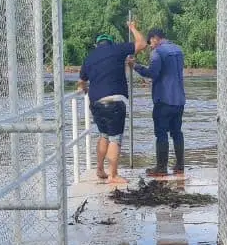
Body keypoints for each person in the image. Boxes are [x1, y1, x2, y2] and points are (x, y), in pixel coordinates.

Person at [77, 21, 146, 184]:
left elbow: (81, 82)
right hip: (115, 101)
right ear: (110, 43)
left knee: (103, 136)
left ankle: (100, 169)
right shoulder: (118, 49)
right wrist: (132, 28)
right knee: (115, 138)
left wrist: (86, 89)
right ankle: (113, 175)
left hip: (96, 102)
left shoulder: (89, 58)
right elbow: (142, 44)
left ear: (97, 45)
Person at [130, 28, 186, 177]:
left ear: (154, 38)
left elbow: (152, 73)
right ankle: (180, 165)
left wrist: (135, 66)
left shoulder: (158, 53)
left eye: (150, 43)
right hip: (179, 99)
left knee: (161, 133)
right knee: (177, 132)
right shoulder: (178, 50)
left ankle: (161, 167)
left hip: (164, 99)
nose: (150, 46)